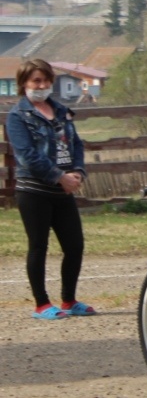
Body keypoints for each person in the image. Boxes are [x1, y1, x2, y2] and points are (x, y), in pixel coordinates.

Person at [6, 58, 95, 320]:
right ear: (24, 84)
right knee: (38, 246)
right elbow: (26, 156)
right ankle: (42, 304)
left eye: (45, 80)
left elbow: (75, 144)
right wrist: (58, 177)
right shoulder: (18, 117)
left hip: (63, 191)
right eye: (36, 80)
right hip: (34, 191)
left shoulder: (61, 111)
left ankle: (69, 299)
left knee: (74, 245)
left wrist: (77, 171)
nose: (41, 85)